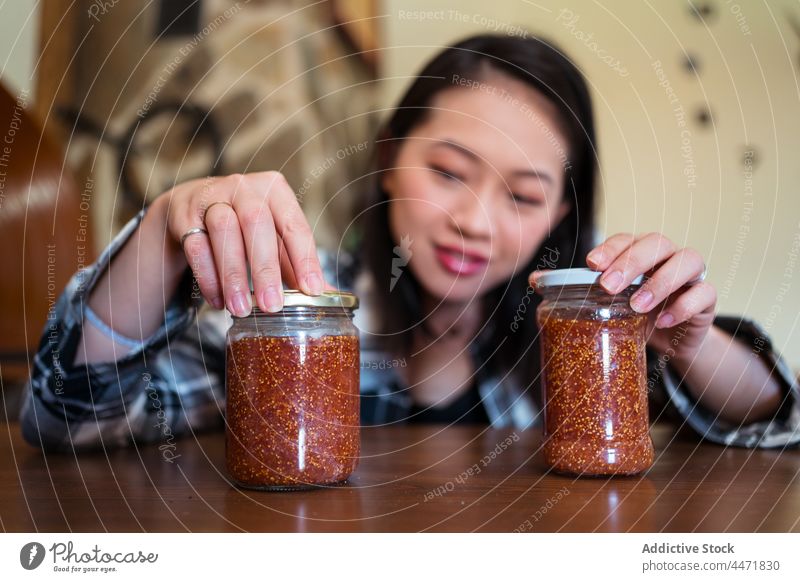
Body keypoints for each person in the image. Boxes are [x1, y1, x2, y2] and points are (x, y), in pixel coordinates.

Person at [22, 34, 799, 452]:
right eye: (451, 172)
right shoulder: (295, 301)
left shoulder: (587, 323)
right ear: (392, 155)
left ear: (561, 210)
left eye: (524, 195)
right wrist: (163, 232)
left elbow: (772, 416)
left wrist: (688, 342)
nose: (476, 222)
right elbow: (66, 419)